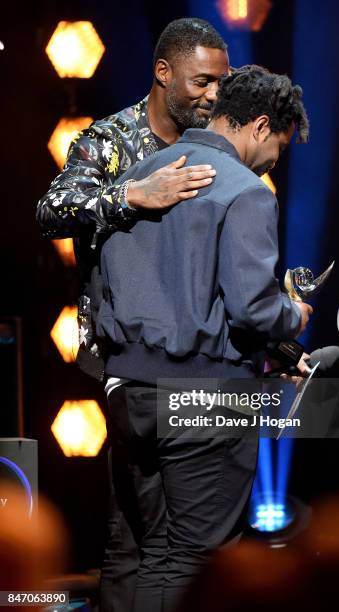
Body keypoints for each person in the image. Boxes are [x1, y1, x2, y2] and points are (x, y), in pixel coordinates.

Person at [97, 65, 313, 612]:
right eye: (279, 148)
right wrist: (293, 314)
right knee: (195, 565)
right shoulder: (246, 191)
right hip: (202, 398)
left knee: (157, 554)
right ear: (261, 126)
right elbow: (252, 311)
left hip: (125, 391)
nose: (273, 164)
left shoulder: (139, 177)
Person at [36, 17, 230, 612]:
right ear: (162, 72)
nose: (212, 96)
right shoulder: (110, 140)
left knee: (168, 531)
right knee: (139, 532)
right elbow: (52, 210)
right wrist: (129, 195)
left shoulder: (213, 145)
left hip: (200, 356)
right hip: (127, 357)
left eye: (220, 84)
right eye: (201, 82)